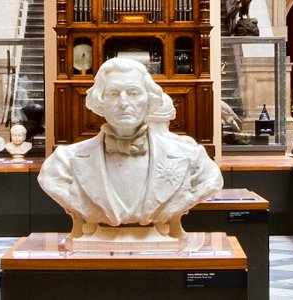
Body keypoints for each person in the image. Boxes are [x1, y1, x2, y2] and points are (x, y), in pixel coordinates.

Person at [38, 58, 224, 250]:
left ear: (149, 99)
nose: (123, 103)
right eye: (113, 93)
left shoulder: (192, 158)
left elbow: (209, 183)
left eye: (133, 92)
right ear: (100, 101)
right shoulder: (63, 162)